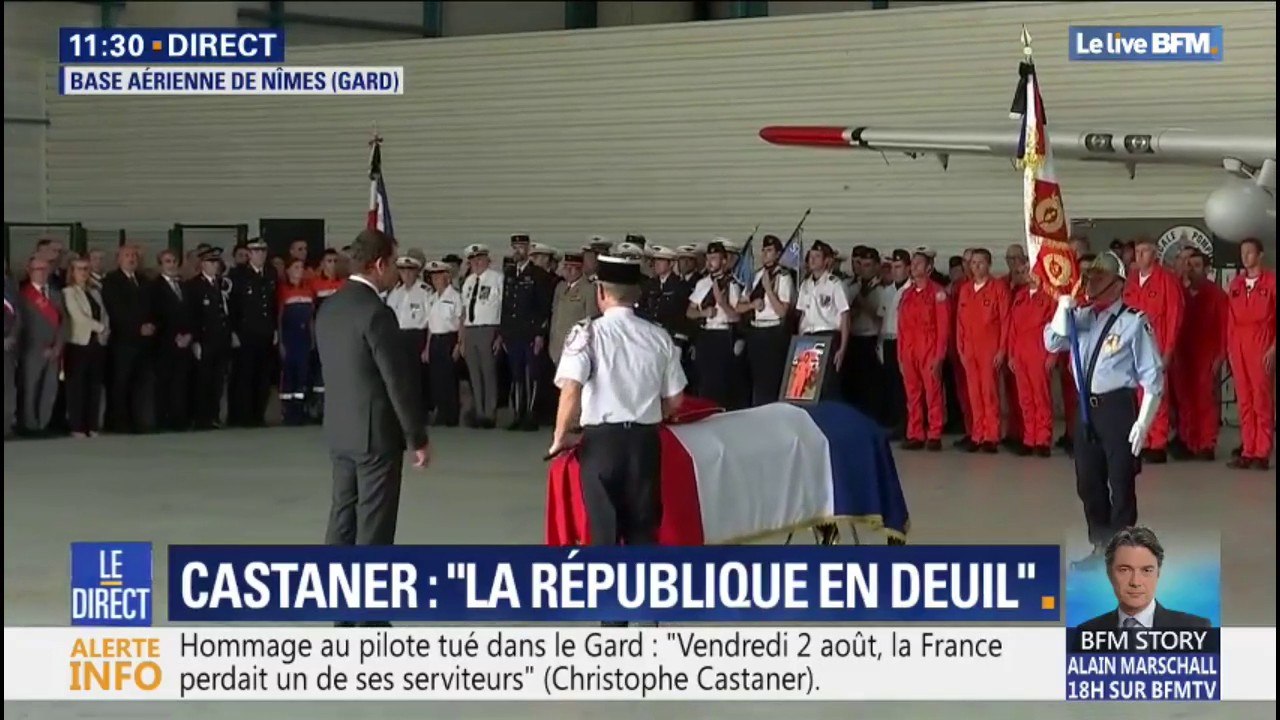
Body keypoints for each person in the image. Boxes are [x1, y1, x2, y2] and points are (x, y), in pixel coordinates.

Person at [549, 254, 686, 565]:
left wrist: (560, 437)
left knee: (604, 532)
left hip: (602, 443)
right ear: (636, 295)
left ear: (600, 293)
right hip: (645, 442)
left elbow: (571, 389)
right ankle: (646, 606)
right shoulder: (659, 336)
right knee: (643, 529)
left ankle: (612, 611)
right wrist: (651, 411)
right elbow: (676, 399)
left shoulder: (586, 333)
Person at [315, 228, 430, 559]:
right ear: (379, 265)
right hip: (375, 437)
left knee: (342, 518)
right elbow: (397, 381)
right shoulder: (377, 314)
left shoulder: (329, 307)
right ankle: (369, 609)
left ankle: (337, 602)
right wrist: (416, 437)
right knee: (374, 527)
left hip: (339, 430)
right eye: (393, 263)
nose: (395, 270)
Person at [1045, 252, 1163, 563]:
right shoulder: (1079, 318)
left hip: (1116, 409)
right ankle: (1100, 545)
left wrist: (1143, 422)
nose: (1089, 282)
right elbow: (1053, 342)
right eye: (1089, 276)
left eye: (1098, 277)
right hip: (1085, 409)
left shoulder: (1134, 322)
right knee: (1088, 481)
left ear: (1117, 283)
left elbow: (1153, 377)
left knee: (1120, 482)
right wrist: (1062, 305)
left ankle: (1120, 551)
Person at [1122, 237, 1184, 463]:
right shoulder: (1129, 282)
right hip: (1131, 347)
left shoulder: (1166, 281)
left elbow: (1174, 317)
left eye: (1145, 251)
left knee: (1156, 393)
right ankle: (1142, 439)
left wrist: (1168, 351)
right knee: (1137, 395)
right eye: (1137, 251)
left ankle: (1157, 442)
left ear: (1155, 253)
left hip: (1156, 344)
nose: (1140, 256)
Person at [1075, 526, 1211, 630]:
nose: (1135, 582)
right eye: (1125, 570)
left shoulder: (1197, 630)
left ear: (1158, 573)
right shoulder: (1086, 633)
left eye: (1146, 570)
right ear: (1109, 574)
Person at [1170, 251, 1227, 462]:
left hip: (1206, 355)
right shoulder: (1180, 294)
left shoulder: (1217, 295)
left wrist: (1220, 356)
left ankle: (1206, 444)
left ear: (1206, 269)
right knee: (1185, 400)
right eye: (1189, 265)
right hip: (1183, 354)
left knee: (1205, 400)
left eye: (1196, 265)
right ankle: (1188, 441)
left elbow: (1225, 328)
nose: (1192, 268)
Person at [1225, 238, 1275, 471]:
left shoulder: (1272, 283)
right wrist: (1230, 349)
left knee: (1261, 399)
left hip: (1261, 342)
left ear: (1260, 255)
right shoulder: (1235, 285)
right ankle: (1248, 449)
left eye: (1250, 252)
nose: (1245, 257)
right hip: (1239, 344)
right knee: (1244, 400)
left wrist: (1273, 348)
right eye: (1242, 252)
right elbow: (1230, 322)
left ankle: (1262, 452)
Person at [955, 248, 1011, 454]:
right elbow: (959, 322)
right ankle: (977, 434)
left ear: (989, 265)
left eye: (980, 262)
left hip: (989, 348)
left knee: (989, 392)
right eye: (973, 263)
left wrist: (1002, 349)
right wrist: (960, 348)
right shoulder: (966, 289)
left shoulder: (998, 288)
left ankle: (991, 435)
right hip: (969, 349)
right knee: (973, 394)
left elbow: (1006, 321)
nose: (976, 266)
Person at [897, 247, 950, 451]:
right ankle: (915, 433)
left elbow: (943, 328)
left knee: (933, 393)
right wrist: (900, 356)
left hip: (929, 349)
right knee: (912, 394)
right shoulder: (907, 295)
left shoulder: (938, 293)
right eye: (913, 263)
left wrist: (939, 356)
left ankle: (934, 433)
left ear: (929, 268)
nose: (914, 266)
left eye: (919, 263)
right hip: (909, 351)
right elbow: (901, 327)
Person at [101, 245, 156, 434]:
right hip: (122, 340)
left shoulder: (144, 280)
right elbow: (115, 310)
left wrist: (151, 324)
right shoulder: (111, 281)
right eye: (127, 255)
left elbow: (153, 307)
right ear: (118, 259)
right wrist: (136, 327)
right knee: (121, 382)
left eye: (134, 255)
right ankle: (119, 423)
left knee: (141, 382)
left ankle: (139, 420)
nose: (131, 258)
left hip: (145, 341)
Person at [502, 235, 554, 431]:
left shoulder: (538, 274)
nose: (518, 251)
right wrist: (504, 333)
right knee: (516, 376)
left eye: (521, 247)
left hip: (531, 333)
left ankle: (531, 414)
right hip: (514, 333)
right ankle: (517, 413)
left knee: (531, 376)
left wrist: (540, 333)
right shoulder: (509, 274)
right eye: (515, 247)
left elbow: (543, 307)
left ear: (528, 250)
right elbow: (506, 306)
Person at [737, 235, 795, 406]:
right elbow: (738, 307)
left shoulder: (783, 277)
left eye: (769, 250)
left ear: (777, 254)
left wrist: (769, 290)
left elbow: (783, 311)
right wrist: (752, 305)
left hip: (773, 332)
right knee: (757, 378)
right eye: (763, 250)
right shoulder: (756, 276)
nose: (765, 254)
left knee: (771, 378)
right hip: (756, 330)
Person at [227, 238, 278, 428]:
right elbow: (232, 307)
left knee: (263, 376)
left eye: (263, 251)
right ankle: (242, 416)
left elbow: (272, 305)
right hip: (245, 332)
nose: (260, 254)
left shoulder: (270, 274)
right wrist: (233, 332)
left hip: (265, 331)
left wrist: (274, 328)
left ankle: (258, 414)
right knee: (244, 376)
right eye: (256, 251)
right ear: (249, 254)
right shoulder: (238, 275)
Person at [686, 241, 742, 409]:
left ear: (724, 261)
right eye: (708, 258)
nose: (710, 262)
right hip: (705, 335)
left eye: (714, 258)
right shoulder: (702, 284)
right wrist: (703, 313)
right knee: (704, 380)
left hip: (722, 335)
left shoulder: (732, 284)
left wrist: (722, 303)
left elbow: (736, 317)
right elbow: (689, 312)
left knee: (719, 382)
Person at [793, 240, 849, 401]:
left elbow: (845, 315)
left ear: (826, 261)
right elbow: (803, 315)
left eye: (817, 256)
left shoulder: (834, 284)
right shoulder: (806, 285)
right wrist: (799, 342)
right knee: (807, 386)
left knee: (827, 385)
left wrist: (842, 348)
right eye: (811, 256)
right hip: (808, 337)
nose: (812, 260)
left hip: (828, 336)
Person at [1007, 271, 1056, 457]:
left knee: (1040, 396)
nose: (1032, 275)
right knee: (1025, 398)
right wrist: (1011, 354)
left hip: (1039, 351)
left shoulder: (1050, 297)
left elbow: (1056, 328)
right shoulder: (1019, 297)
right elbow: (1012, 328)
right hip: (1020, 353)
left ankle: (1042, 439)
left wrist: (1052, 355)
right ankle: (1029, 438)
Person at [17, 255, 65, 436]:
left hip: (54, 350)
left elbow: (63, 322)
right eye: (38, 269)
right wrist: (39, 347)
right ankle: (30, 424)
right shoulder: (23, 295)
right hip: (32, 350)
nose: (43, 273)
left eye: (46, 269)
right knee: (31, 388)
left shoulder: (55, 294)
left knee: (49, 388)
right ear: (29, 271)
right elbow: (21, 325)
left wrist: (57, 346)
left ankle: (43, 424)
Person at [186, 248, 233, 431]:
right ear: (202, 264)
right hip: (205, 339)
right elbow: (192, 314)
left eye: (216, 262)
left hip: (221, 338)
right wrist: (195, 340)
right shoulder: (194, 286)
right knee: (203, 380)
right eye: (211, 262)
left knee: (218, 380)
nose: (215, 266)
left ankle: (213, 416)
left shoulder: (223, 284)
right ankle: (201, 417)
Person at [62, 257, 109, 438]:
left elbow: (104, 313)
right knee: (77, 387)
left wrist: (105, 330)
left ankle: (92, 425)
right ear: (72, 272)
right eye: (80, 269)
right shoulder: (69, 292)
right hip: (78, 344)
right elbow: (78, 317)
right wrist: (101, 328)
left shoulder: (95, 292)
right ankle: (77, 426)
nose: (84, 272)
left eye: (86, 269)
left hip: (97, 343)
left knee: (94, 385)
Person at [459, 244, 504, 429]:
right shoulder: (468, 281)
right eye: (472, 260)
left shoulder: (497, 279)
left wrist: (500, 335)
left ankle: (489, 413)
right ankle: (479, 412)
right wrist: (461, 339)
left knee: (488, 372)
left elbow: (503, 307)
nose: (476, 263)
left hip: (488, 329)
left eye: (480, 259)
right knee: (474, 374)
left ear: (487, 260)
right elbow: (463, 311)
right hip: (470, 330)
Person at [152, 250, 196, 432]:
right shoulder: (154, 287)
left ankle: (180, 420)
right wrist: (173, 336)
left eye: (174, 261)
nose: (171, 264)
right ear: (161, 265)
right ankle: (163, 421)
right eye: (167, 261)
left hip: (185, 342)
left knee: (182, 383)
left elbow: (193, 314)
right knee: (164, 383)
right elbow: (154, 314)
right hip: (164, 343)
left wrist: (189, 335)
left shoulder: (185, 287)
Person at [386, 254, 431, 417]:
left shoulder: (424, 290)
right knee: (401, 376)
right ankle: (404, 411)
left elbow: (429, 317)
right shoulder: (396, 292)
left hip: (416, 335)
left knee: (415, 376)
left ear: (416, 272)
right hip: (399, 336)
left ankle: (419, 411)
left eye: (409, 271)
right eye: (403, 271)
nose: (406, 275)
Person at [876, 249, 911, 440]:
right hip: (888, 339)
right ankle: (894, 421)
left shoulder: (911, 290)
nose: (896, 271)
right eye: (893, 267)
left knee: (905, 385)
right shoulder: (887, 291)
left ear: (908, 268)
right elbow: (882, 319)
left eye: (899, 267)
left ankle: (907, 424)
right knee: (891, 384)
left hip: (903, 341)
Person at [277, 258, 317, 426]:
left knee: (303, 373)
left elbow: (311, 318)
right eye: (296, 267)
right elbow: (279, 318)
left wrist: (313, 337)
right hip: (289, 337)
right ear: (288, 271)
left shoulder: (309, 291)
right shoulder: (283, 290)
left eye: (301, 267)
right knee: (288, 374)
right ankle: (288, 412)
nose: (299, 270)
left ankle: (300, 410)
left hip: (304, 338)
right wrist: (280, 341)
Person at [423, 261, 463, 427]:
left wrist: (459, 344)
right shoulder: (431, 298)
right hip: (435, 340)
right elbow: (430, 325)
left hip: (449, 338)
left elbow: (461, 321)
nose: (436, 279)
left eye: (439, 276)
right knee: (436, 379)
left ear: (447, 277)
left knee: (449, 379)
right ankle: (441, 411)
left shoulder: (454, 296)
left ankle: (451, 415)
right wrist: (427, 347)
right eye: (433, 277)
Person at [308, 249, 346, 421]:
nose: (332, 264)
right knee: (319, 372)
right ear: (322, 264)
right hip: (323, 334)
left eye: (335, 261)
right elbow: (311, 313)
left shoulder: (345, 284)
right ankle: (318, 409)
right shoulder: (314, 284)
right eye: (329, 261)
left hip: (341, 335)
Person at [3, 270, 19, 438]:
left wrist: (12, 336)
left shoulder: (10, 285)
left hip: (9, 344)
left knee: (8, 387)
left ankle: (6, 426)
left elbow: (17, 313)